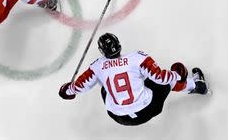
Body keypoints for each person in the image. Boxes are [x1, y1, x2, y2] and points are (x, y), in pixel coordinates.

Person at [58, 33, 209, 126]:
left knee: (105, 87)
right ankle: (197, 86)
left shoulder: (96, 66)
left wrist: (68, 90)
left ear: (102, 51)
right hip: (148, 110)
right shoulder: (137, 58)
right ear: (119, 45)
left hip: (118, 117)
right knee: (165, 81)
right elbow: (161, 77)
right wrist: (177, 74)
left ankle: (122, 100)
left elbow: (78, 87)